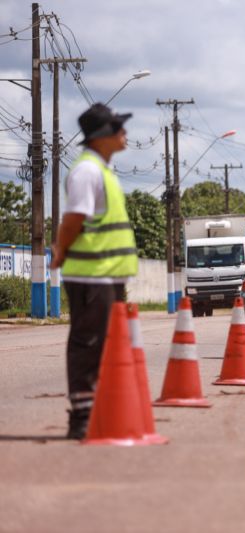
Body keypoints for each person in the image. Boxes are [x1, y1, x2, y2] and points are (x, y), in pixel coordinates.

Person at [49, 103, 138, 439]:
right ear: (102, 136)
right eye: (118, 128)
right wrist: (61, 252)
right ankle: (82, 416)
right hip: (90, 277)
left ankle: (99, 407)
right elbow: (73, 220)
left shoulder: (102, 170)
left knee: (106, 344)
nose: (124, 133)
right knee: (88, 343)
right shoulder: (87, 172)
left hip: (107, 275)